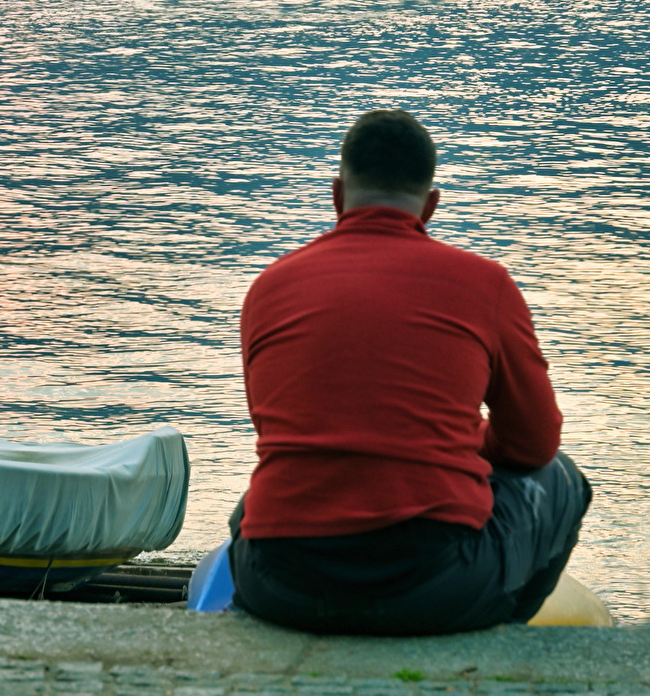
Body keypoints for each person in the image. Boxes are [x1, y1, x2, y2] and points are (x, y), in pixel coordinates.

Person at [229, 109, 591, 635]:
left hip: (282, 585)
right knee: (562, 479)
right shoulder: (484, 284)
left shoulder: (269, 287)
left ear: (337, 196)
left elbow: (283, 427)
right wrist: (462, 441)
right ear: (430, 205)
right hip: (432, 587)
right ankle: (498, 632)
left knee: (260, 493)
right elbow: (535, 445)